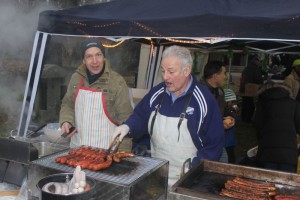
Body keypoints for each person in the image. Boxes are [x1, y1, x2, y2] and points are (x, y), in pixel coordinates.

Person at [112, 45, 224, 187]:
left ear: (187, 70)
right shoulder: (157, 93)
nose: (165, 77)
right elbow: (140, 116)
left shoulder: (204, 99)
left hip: (189, 178)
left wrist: (194, 169)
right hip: (157, 173)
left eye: (171, 71)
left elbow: (214, 144)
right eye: (163, 71)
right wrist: (128, 126)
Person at [59, 38, 133, 150]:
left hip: (105, 153)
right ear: (83, 60)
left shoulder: (117, 82)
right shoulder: (76, 78)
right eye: (89, 56)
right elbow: (68, 104)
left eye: (98, 55)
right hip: (77, 150)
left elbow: (126, 121)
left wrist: (122, 156)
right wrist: (66, 120)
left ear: (104, 57)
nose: (95, 61)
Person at [254, 80, 300, 173]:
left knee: (267, 182)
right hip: (289, 152)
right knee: (286, 183)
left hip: (267, 151)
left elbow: (258, 124)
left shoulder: (263, 103)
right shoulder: (294, 104)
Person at [201, 60, 235, 163]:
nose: (226, 77)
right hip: (203, 144)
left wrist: (230, 116)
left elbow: (225, 110)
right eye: (224, 73)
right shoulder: (199, 92)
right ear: (215, 76)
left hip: (217, 140)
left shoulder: (220, 92)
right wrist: (219, 124)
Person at [239, 54, 263, 123]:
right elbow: (259, 80)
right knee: (250, 105)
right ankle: (247, 119)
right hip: (251, 90)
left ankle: (244, 118)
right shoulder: (255, 69)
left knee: (245, 104)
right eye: (258, 60)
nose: (259, 62)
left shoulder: (247, 68)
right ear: (254, 60)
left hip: (244, 89)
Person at [223, 88, 238, 164]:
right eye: (232, 102)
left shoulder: (231, 110)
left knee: (231, 158)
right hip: (226, 143)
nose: (234, 104)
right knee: (229, 160)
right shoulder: (227, 111)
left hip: (230, 142)